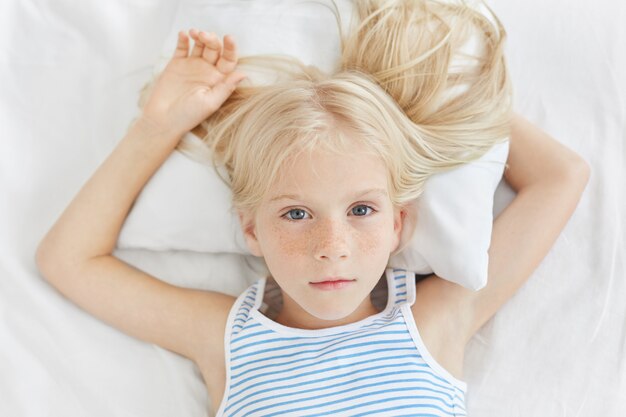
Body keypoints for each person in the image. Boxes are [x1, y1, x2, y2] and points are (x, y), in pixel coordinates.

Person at [35, 1, 590, 415]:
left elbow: (562, 177)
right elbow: (67, 260)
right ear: (251, 229)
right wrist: (157, 126)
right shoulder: (225, 338)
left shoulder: (432, 323)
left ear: (400, 222)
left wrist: (449, 96)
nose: (332, 249)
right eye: (296, 213)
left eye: (362, 210)